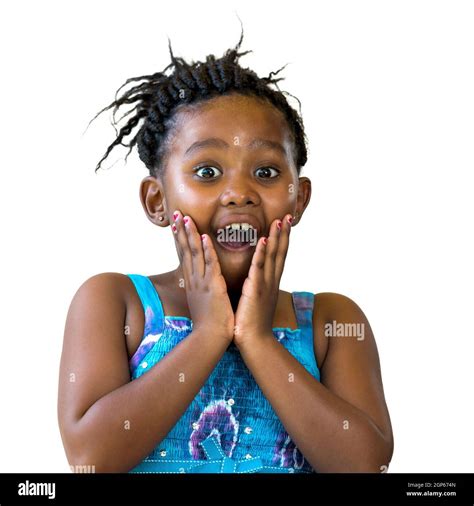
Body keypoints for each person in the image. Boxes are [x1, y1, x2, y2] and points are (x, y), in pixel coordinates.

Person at [58, 29, 393, 474]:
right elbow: (90, 459)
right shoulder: (115, 304)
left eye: (267, 171)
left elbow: (366, 467)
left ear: (299, 198)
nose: (239, 193)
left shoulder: (332, 324)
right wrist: (207, 335)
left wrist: (255, 338)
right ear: (157, 201)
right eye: (208, 171)